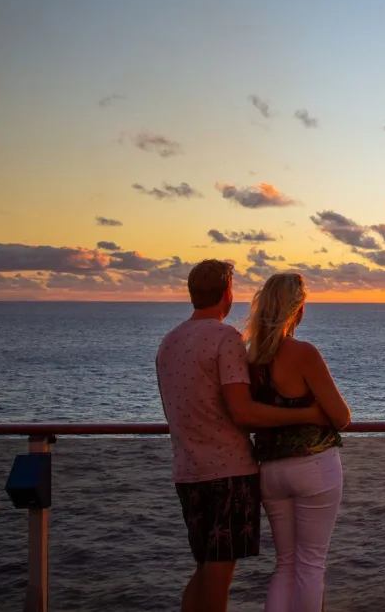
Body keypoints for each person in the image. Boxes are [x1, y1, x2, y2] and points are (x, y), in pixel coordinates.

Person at [155, 260, 329, 612]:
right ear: (227, 294)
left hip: (187, 471)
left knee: (205, 567)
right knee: (220, 574)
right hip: (228, 473)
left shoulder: (169, 342)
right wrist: (307, 413)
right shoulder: (225, 338)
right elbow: (243, 412)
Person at [244, 272, 351, 612]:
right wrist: (314, 412)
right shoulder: (304, 353)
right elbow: (342, 417)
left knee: (286, 565)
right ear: (298, 309)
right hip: (313, 468)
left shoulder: (251, 357)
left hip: (270, 471)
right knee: (311, 565)